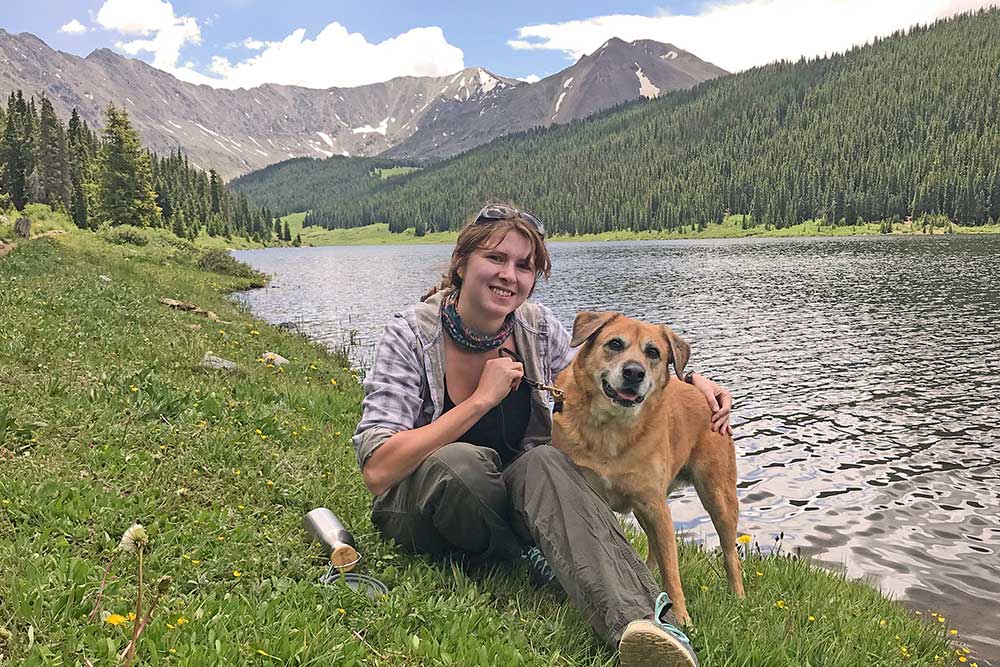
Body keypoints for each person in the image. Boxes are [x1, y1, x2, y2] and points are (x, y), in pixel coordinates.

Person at [352, 203, 734, 667]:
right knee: (463, 465)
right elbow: (377, 470)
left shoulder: (535, 328)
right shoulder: (410, 335)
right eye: (496, 259)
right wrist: (480, 400)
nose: (508, 275)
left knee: (547, 461)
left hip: (508, 500)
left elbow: (603, 374)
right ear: (462, 262)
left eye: (524, 266)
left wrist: (690, 383)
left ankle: (647, 626)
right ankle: (525, 557)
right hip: (421, 507)